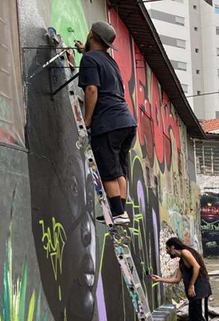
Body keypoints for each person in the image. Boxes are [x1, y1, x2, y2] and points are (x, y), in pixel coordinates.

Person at [74, 21, 137, 226]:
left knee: (107, 168)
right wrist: (85, 52)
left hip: (108, 122)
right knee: (118, 169)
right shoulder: (110, 62)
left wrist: (88, 119)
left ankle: (117, 214)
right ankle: (120, 212)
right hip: (126, 121)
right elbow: (96, 62)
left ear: (91, 34)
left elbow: (91, 90)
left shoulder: (90, 60)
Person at [151, 238, 213, 321]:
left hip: (199, 288)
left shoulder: (185, 252)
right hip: (195, 290)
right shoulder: (181, 260)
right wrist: (160, 279)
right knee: (194, 315)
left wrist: (191, 285)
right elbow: (177, 279)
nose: (167, 252)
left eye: (168, 249)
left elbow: (197, 267)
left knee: (199, 315)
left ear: (173, 247)